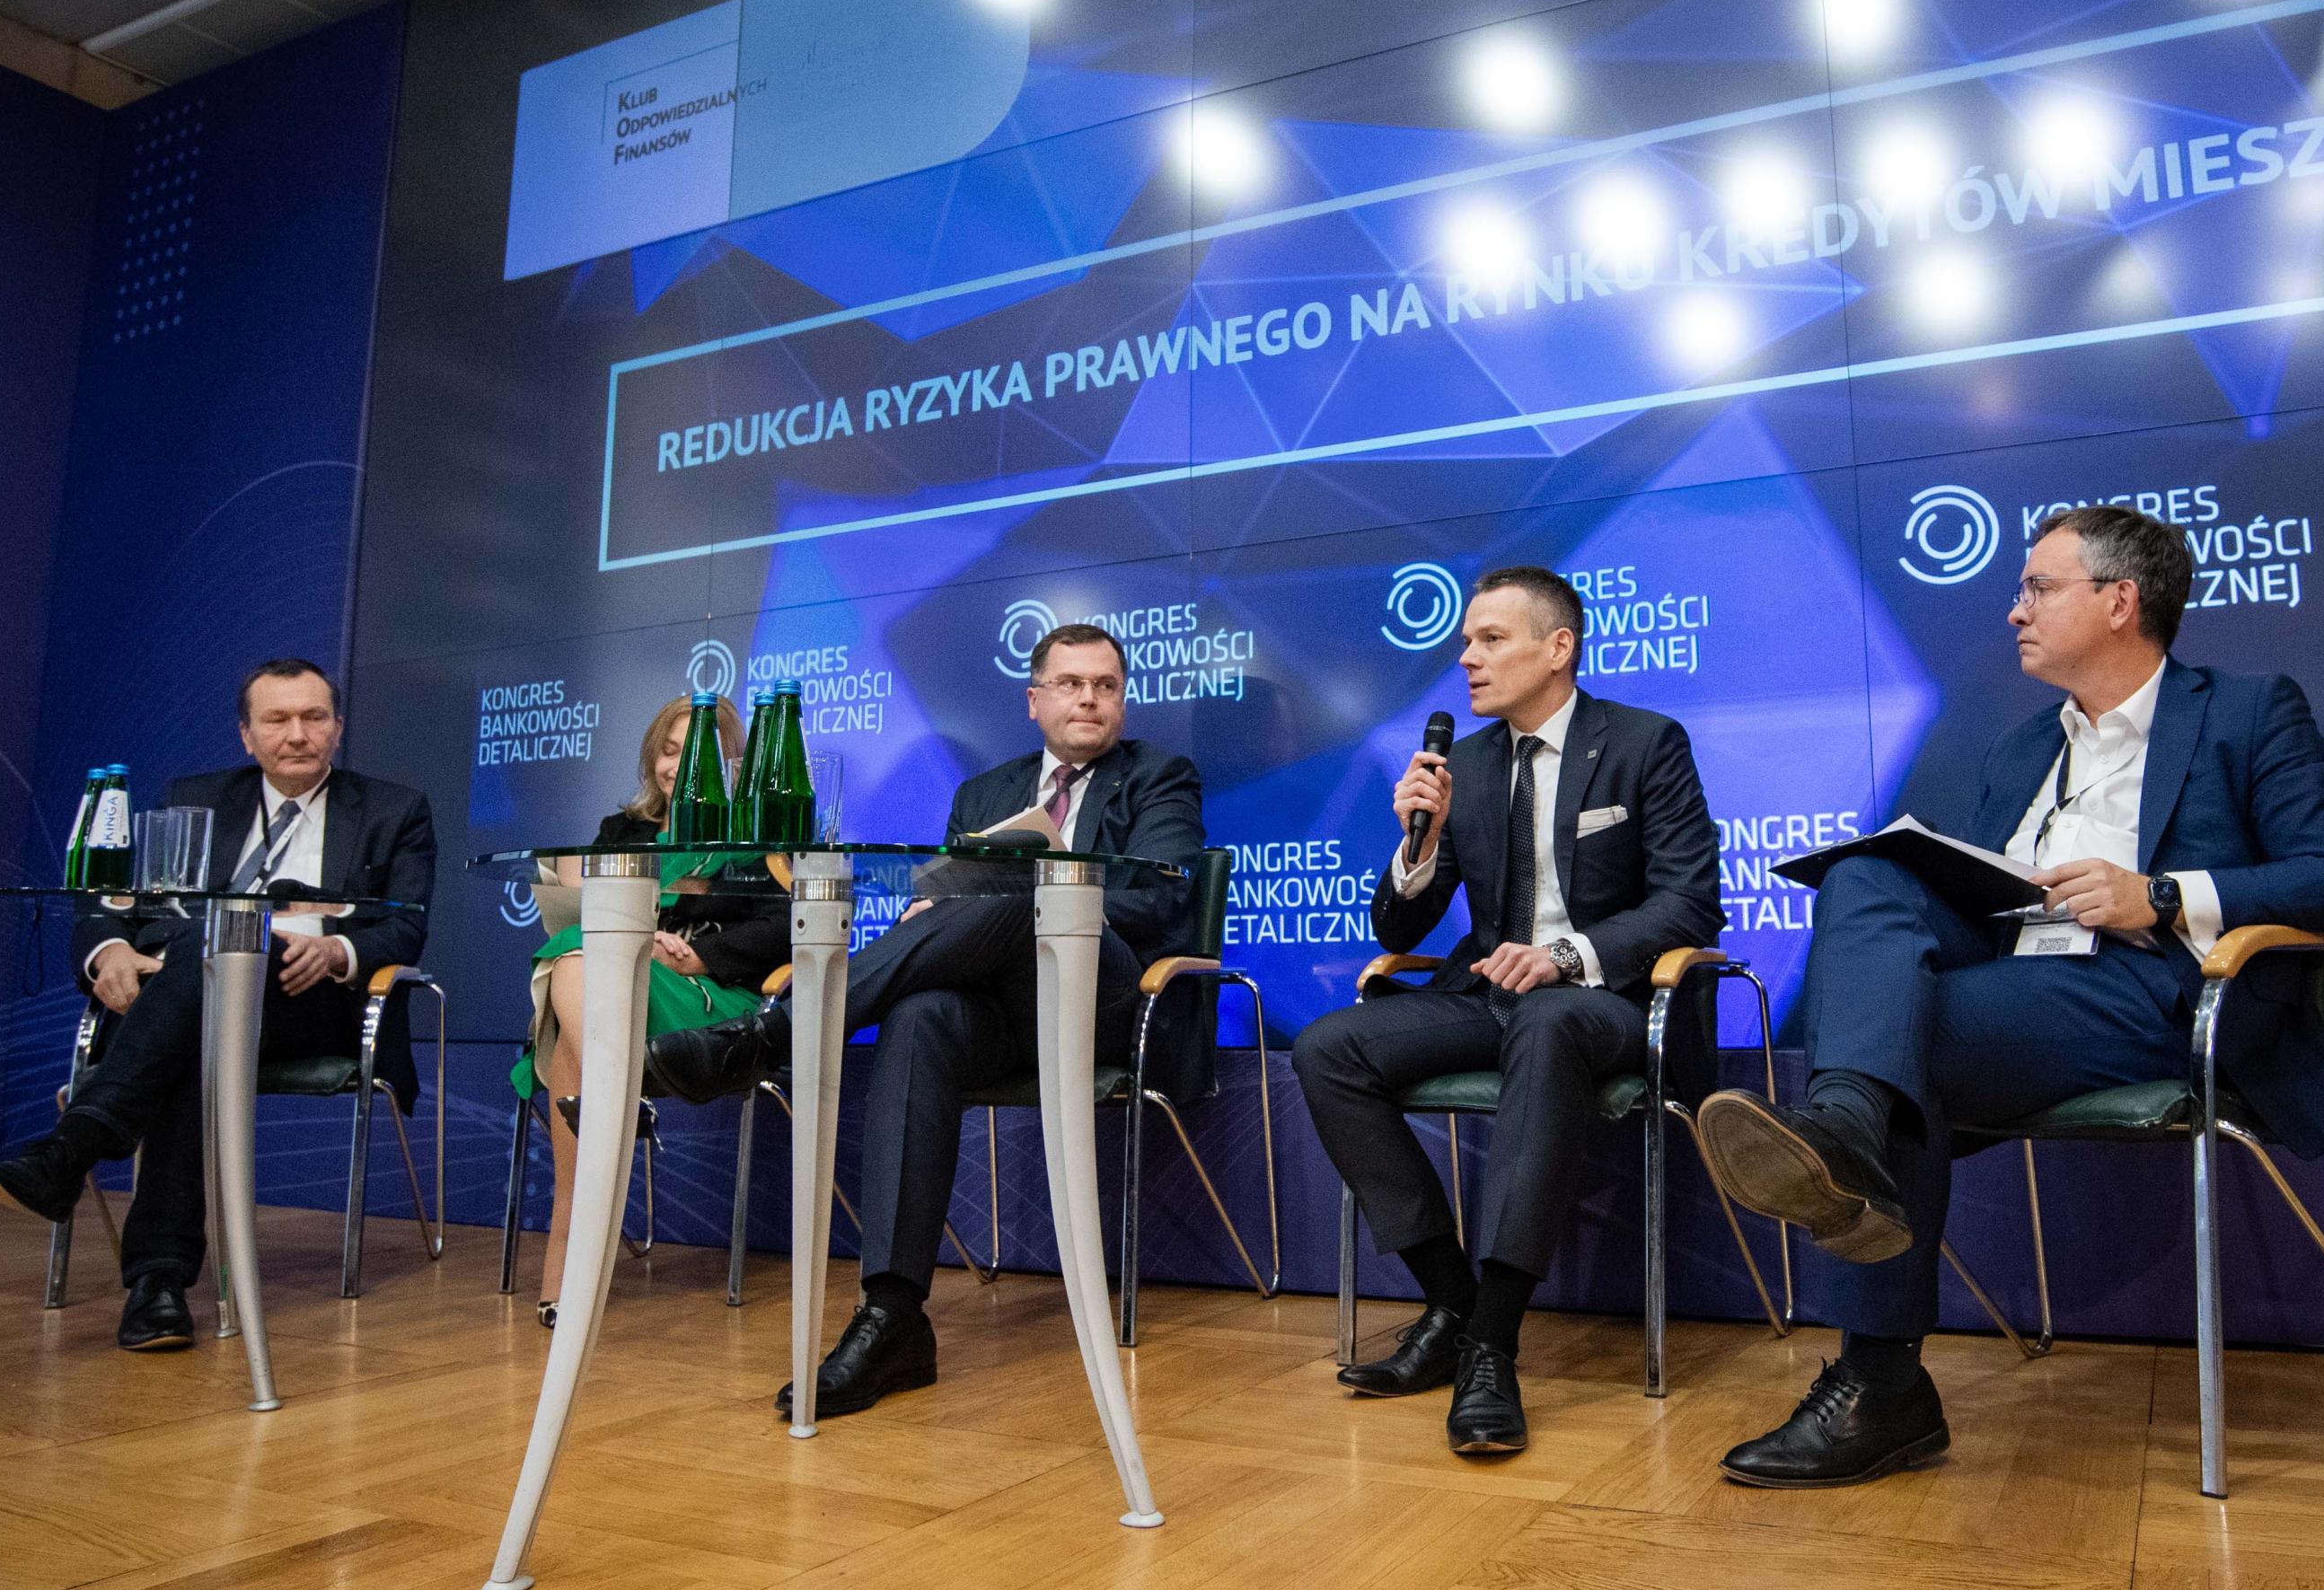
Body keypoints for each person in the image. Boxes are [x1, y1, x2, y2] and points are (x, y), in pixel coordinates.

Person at [1692, 504, 2324, 1487]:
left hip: (2158, 987)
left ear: (2120, 600)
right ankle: (1844, 1128)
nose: (2015, 612)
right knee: (1866, 878)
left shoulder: (2249, 709)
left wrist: (2161, 894)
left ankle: (1882, 1380)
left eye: (2038, 588)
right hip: (2023, 976)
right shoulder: (2020, 750)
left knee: (1897, 1046)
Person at [647, 620, 1203, 1420]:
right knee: (920, 1014)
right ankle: (893, 1317)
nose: (1090, 698)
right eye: (1072, 684)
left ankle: (780, 1031)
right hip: (998, 1009)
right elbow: (947, 924)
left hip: (1102, 997)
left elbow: (1160, 903)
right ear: (1034, 700)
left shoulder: (1160, 776)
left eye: (1106, 686)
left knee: (1024, 895)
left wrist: (1046, 890)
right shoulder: (983, 794)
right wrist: (935, 911)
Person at [1287, 565, 1723, 1458]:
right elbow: (1401, 922)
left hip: (1611, 1003)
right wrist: (1420, 844)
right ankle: (1452, 1302)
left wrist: (1565, 956)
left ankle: (1493, 1344)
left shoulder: (1644, 743)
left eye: (1491, 639)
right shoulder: (1469, 765)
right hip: (1488, 995)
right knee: (1330, 1048)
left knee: (1551, 1017)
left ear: (1557, 647)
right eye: (1466, 642)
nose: (1468, 658)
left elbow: (1689, 902)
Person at [0, 659, 436, 1351]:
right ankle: (156, 1286)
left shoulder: (395, 810)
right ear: (247, 735)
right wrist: (110, 953)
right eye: (277, 719)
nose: (297, 734)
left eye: (313, 717)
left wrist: (338, 950)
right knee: (201, 1000)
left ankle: (81, 1151)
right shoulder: (198, 798)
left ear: (338, 728)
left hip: (310, 1003)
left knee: (204, 967)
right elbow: (114, 902)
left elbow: (405, 924)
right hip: (197, 996)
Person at [513, 692, 789, 1323]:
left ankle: (566, 1281)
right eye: (669, 752)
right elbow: (580, 908)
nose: (679, 768)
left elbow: (787, 925)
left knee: (575, 1001)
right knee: (581, 960)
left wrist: (700, 956)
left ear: (731, 765)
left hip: (711, 999)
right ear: (651, 759)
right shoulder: (623, 834)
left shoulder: (757, 834)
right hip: (620, 983)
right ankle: (618, 1095)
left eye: (698, 756)